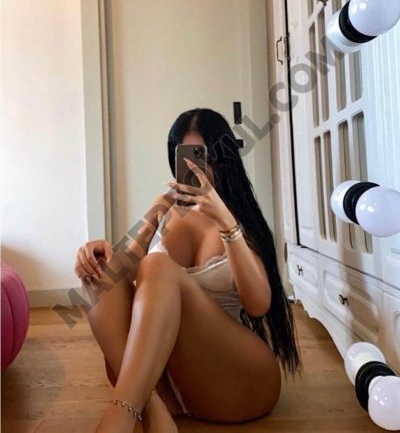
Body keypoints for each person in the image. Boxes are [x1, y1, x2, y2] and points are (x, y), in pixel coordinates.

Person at [74, 108, 302, 432]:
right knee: (101, 269)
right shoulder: (167, 210)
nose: (196, 168)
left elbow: (258, 304)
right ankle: (150, 406)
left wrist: (225, 220)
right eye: (186, 157)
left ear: (223, 159)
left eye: (203, 157)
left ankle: (122, 412)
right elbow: (117, 273)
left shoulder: (240, 219)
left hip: (238, 381)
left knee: (156, 265)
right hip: (176, 384)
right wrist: (98, 249)